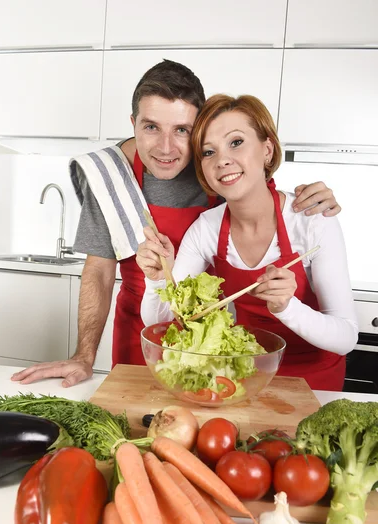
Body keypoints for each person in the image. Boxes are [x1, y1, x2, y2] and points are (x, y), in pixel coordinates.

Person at [12, 61, 341, 388]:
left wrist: (314, 198)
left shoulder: (217, 169)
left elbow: (261, 192)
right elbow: (98, 269)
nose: (166, 148)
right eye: (151, 127)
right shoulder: (109, 176)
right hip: (144, 330)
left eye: (182, 130)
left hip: (214, 342)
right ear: (133, 123)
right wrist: (84, 356)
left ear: (199, 130)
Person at [137, 94, 358, 391]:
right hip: (245, 381)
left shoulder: (312, 220)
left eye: (236, 142)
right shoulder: (207, 228)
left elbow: (346, 337)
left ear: (267, 149)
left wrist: (287, 307)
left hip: (313, 384)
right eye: (208, 152)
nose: (222, 159)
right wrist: (158, 279)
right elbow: (161, 321)